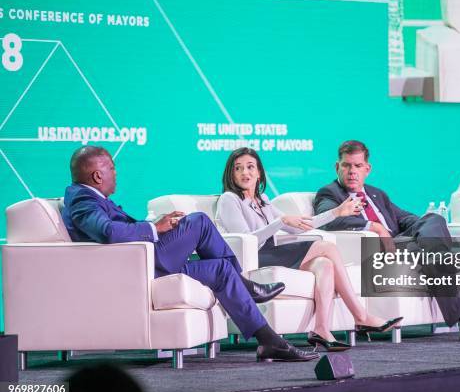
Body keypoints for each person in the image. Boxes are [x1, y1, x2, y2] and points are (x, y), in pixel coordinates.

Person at [61, 146, 319, 362]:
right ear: (97, 175)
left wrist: (159, 227)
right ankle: (247, 286)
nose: (116, 173)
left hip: (145, 260)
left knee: (221, 269)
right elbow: (107, 232)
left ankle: (270, 342)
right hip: (139, 267)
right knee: (198, 222)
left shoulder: (87, 197)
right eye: (111, 168)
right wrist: (154, 227)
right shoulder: (83, 199)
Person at [314, 140, 460, 342]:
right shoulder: (329, 193)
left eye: (357, 166)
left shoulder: (376, 194)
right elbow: (328, 218)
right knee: (432, 252)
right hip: (377, 249)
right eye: (346, 165)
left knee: (434, 219)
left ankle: (440, 258)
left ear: (367, 169)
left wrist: (425, 228)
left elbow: (404, 218)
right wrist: (375, 227)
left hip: (402, 243)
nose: (352, 171)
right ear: (337, 167)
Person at [216, 148, 401, 351]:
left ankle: (321, 328)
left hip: (271, 253)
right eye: (238, 168)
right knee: (326, 248)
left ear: (259, 172)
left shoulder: (263, 201)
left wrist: (337, 212)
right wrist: (279, 222)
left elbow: (305, 224)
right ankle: (360, 315)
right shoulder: (229, 199)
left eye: (250, 167)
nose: (245, 173)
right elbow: (246, 240)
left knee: (324, 264)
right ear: (231, 174)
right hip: (252, 258)